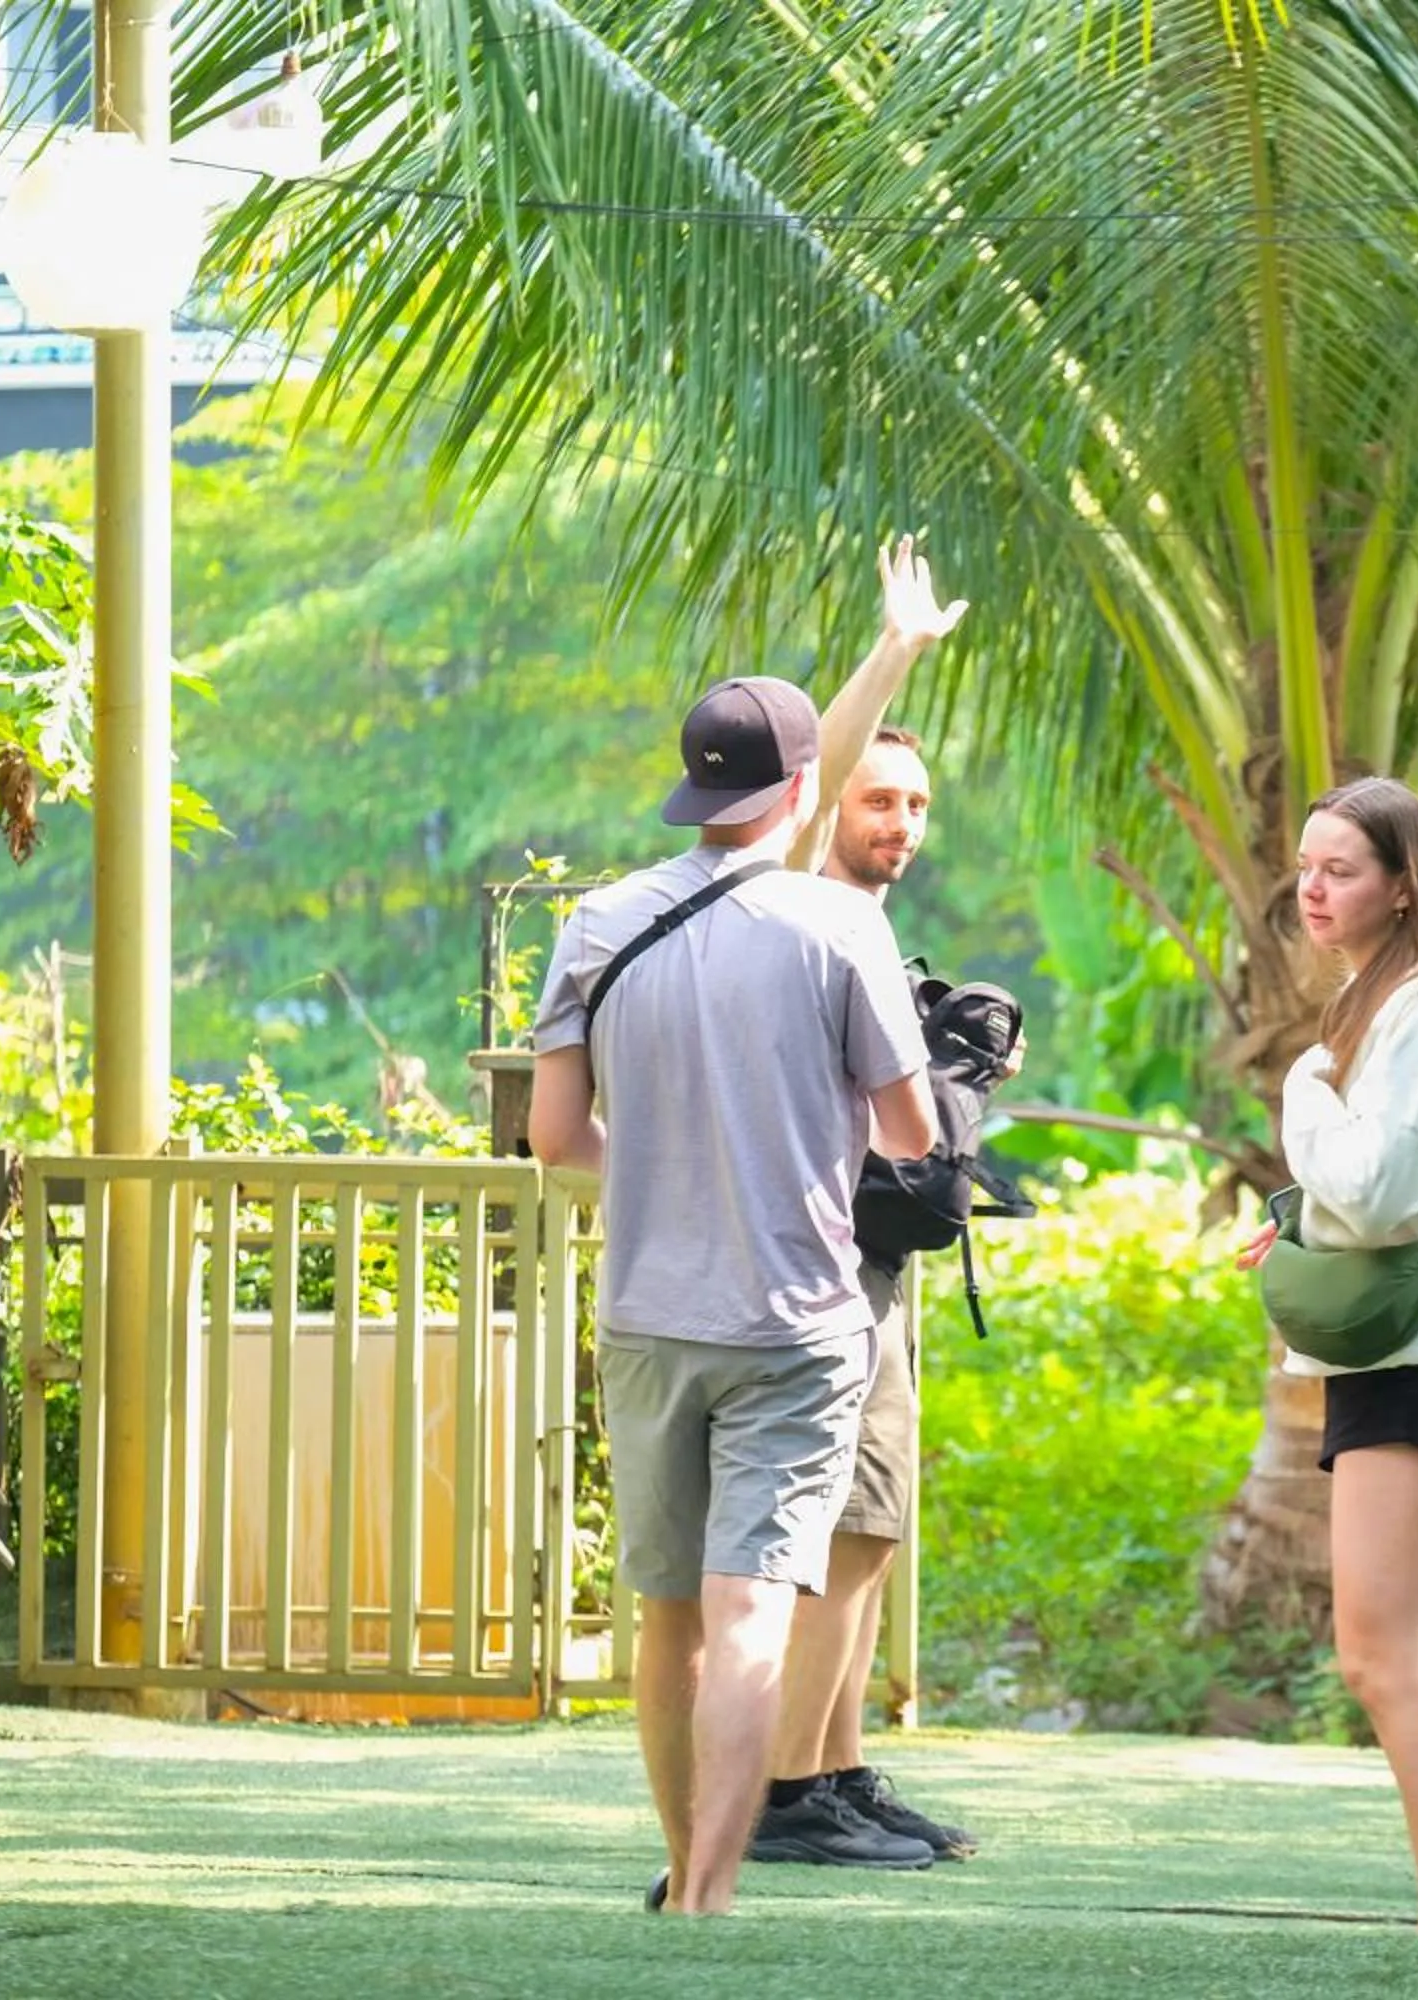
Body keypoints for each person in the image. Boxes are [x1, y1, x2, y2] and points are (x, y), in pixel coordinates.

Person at [526, 542, 965, 1918]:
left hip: (650, 1312)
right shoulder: (843, 929)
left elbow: (554, 1141)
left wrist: (666, 1176)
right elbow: (908, 1138)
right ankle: (713, 1893)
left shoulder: (599, 923)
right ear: (802, 794)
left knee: (662, 1620)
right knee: (751, 1611)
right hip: (799, 1323)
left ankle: (678, 1866)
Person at [1237, 776, 1418, 1938]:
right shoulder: (1388, 995)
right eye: (1305, 865)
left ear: (1404, 881)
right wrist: (1309, 1206)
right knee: (1396, 1654)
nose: (1312, 886)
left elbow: (1384, 1188)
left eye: (1341, 867)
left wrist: (1305, 1090)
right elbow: (1374, 1187)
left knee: (1385, 1654)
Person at [757, 725, 980, 1869]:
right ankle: (786, 1789)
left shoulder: (871, 925)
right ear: (821, 801)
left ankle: (836, 1768)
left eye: (917, 803)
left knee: (876, 1525)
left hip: (872, 1263)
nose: (901, 822)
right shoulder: (794, 896)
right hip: (819, 1263)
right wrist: (895, 649)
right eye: (878, 798)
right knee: (844, 1528)